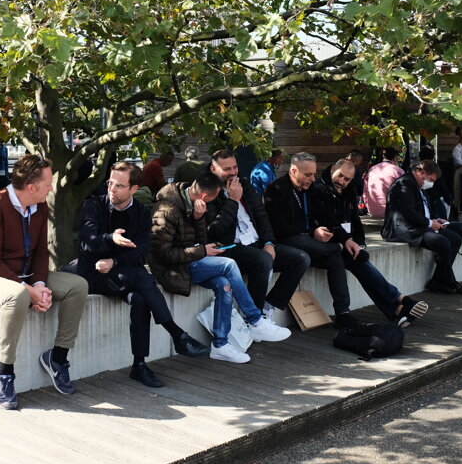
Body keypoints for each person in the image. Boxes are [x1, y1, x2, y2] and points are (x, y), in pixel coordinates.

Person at [0, 155, 88, 409]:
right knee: (16, 295)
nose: (51, 188)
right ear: (31, 187)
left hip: (26, 276)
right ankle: (4, 369)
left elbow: (41, 252)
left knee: (78, 286)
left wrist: (39, 285)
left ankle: (57, 357)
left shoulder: (40, 207)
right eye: (47, 183)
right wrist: (28, 290)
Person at [77, 162, 209, 388]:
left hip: (122, 273)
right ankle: (177, 334)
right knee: (142, 278)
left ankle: (139, 365)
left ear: (133, 189)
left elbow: (141, 252)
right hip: (93, 273)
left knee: (140, 298)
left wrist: (115, 261)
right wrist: (110, 239)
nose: (112, 189)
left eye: (119, 185)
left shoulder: (140, 211)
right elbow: (87, 242)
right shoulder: (93, 205)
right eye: (110, 183)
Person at [150, 172, 291, 364]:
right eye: (215, 197)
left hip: (191, 260)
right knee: (228, 264)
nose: (215, 201)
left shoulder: (194, 204)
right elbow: (163, 254)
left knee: (224, 284)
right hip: (173, 268)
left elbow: (201, 240)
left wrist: (198, 218)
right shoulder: (166, 210)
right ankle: (255, 319)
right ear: (204, 196)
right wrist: (202, 251)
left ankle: (220, 344)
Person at [311, 160, 428, 326]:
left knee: (360, 260)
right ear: (332, 169)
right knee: (355, 260)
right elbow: (328, 220)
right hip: (328, 241)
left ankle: (397, 310)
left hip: (345, 241)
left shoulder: (349, 189)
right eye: (340, 176)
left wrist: (360, 242)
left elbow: (354, 218)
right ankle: (400, 301)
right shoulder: (319, 189)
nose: (342, 181)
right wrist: (348, 241)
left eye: (347, 179)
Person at [205, 150, 310, 321]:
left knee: (301, 259)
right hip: (230, 246)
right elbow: (215, 230)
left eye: (235, 167)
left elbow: (261, 215)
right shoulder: (208, 189)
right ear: (213, 169)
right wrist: (232, 200)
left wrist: (269, 242)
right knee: (263, 260)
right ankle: (254, 318)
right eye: (226, 169)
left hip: (255, 242)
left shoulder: (244, 184)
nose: (232, 172)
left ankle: (269, 305)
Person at [263, 152, 359, 329]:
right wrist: (312, 232)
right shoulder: (276, 189)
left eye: (314, 174)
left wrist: (346, 239)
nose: (313, 179)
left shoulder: (312, 189)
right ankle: (337, 248)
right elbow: (279, 228)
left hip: (310, 242)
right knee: (315, 251)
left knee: (335, 259)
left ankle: (343, 313)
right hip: (287, 240)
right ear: (293, 171)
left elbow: (327, 216)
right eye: (308, 175)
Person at [381, 160, 462, 295]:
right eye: (431, 180)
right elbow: (408, 213)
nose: (431, 183)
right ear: (422, 173)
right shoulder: (404, 184)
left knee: (455, 239)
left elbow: (424, 209)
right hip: (404, 228)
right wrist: (430, 223)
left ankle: (438, 281)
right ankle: (449, 281)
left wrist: (436, 219)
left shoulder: (417, 184)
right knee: (442, 242)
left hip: (419, 225)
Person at [363, 147, 404, 219]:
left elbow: (365, 192)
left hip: (372, 211)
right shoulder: (398, 171)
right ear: (395, 158)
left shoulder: (372, 169)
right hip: (392, 212)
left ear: (383, 156)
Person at [419, 145, 454, 220]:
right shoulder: (433, 169)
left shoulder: (417, 169)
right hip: (434, 201)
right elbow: (442, 187)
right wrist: (449, 199)